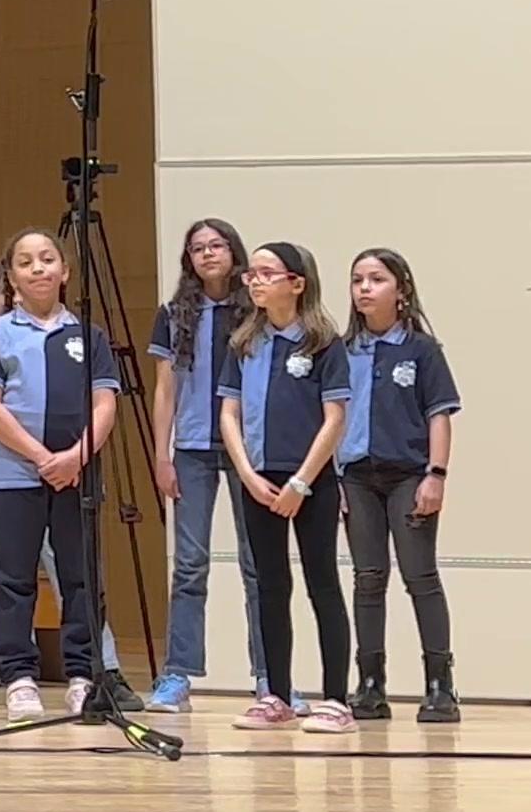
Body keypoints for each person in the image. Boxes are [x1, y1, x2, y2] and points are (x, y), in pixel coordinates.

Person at [0, 229, 119, 719]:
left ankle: (82, 675)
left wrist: (75, 456)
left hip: (77, 475)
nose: (38, 268)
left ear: (65, 270)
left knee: (79, 577)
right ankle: (18, 677)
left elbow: (105, 403)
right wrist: (40, 456)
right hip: (15, 475)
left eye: (48, 259)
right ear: (11, 276)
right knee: (13, 578)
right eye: (26, 261)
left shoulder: (89, 335)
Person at [221, 240, 354, 733]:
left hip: (310, 481)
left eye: (265, 273)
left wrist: (301, 481)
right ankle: (275, 693)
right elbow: (229, 414)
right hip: (258, 480)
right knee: (270, 586)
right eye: (250, 274)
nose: (254, 281)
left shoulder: (324, 344)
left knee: (322, 581)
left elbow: (334, 418)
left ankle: (336, 699)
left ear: (296, 283)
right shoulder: (244, 344)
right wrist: (247, 474)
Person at [339, 247, 465, 724]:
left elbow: (439, 415)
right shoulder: (342, 351)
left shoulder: (421, 350)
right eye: (358, 280)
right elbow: (330, 417)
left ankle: (440, 684)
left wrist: (436, 474)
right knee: (368, 579)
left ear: (401, 289)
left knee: (420, 576)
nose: (365, 288)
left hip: (409, 476)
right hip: (356, 477)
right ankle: (371, 683)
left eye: (376, 279)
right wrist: (331, 480)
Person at [144, 217, 255, 714]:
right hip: (190, 448)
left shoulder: (256, 311)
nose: (208, 253)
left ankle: (271, 676)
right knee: (189, 565)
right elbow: (165, 390)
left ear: (234, 252)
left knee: (258, 566)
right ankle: (178, 675)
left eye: (217, 245)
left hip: (248, 450)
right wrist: (161, 454)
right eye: (197, 248)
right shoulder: (174, 315)